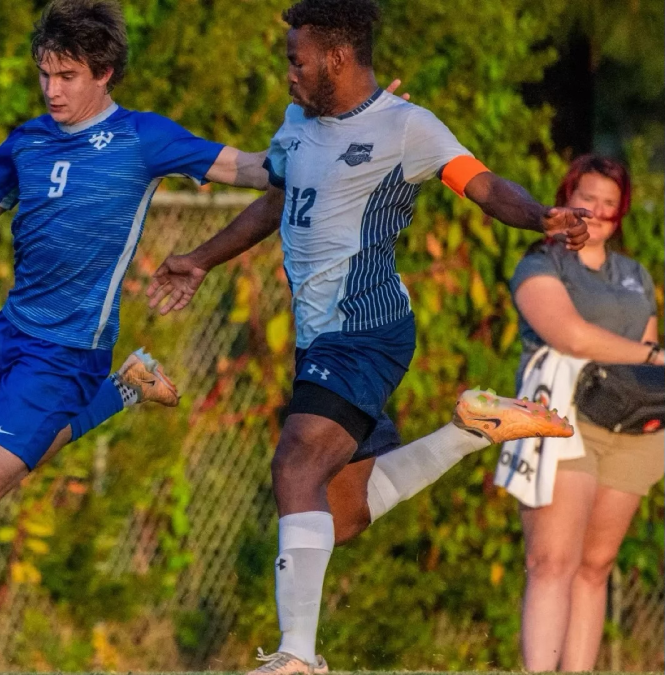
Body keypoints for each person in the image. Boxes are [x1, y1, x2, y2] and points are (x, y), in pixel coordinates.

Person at [0, 1, 323, 671]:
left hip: (68, 352)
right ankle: (120, 391)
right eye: (45, 74)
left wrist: (329, 124)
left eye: (68, 76)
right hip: (11, 339)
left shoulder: (144, 139)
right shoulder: (25, 141)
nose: (52, 90)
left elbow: (254, 168)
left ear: (104, 73)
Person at [144, 0, 589, 671]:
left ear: (336, 57)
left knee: (294, 462)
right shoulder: (299, 124)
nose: (287, 73)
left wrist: (541, 216)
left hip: (367, 329)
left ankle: (297, 656)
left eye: (296, 59)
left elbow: (484, 184)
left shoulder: (407, 127)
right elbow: (279, 198)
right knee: (340, 513)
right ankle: (475, 426)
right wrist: (201, 258)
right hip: (319, 337)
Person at [510, 155, 664, 671]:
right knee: (553, 561)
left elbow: (647, 346)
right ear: (565, 198)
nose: (596, 211)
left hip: (632, 428)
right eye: (587, 198)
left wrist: (651, 361)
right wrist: (651, 355)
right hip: (561, 420)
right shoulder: (541, 261)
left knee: (595, 566)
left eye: (609, 203)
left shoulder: (634, 275)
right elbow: (569, 336)